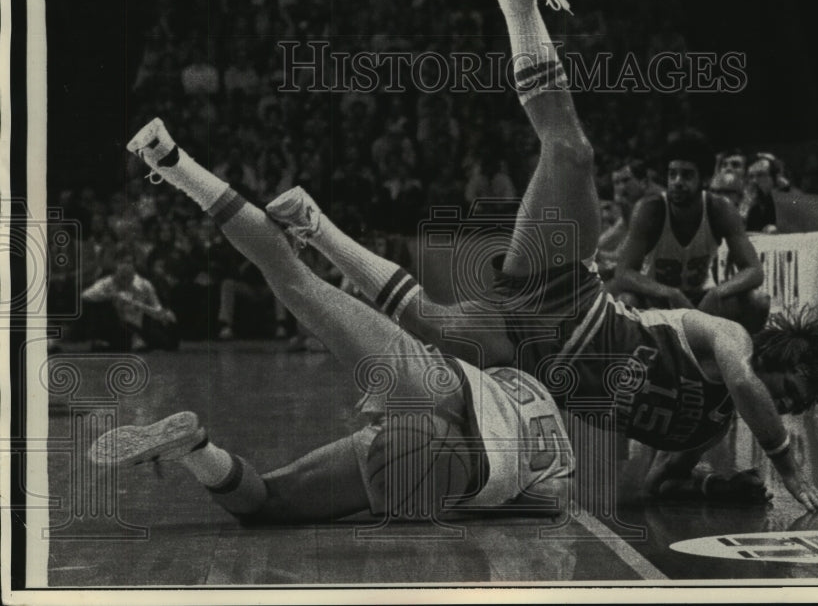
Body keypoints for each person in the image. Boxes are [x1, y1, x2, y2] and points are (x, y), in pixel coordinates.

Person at [266, 0, 818, 512]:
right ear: (777, 359)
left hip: (532, 357)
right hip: (568, 293)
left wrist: (718, 484)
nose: (784, 408)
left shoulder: (707, 431)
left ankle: (313, 225)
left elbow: (640, 487)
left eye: (792, 409)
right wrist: (788, 464)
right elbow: (746, 385)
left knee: (428, 323)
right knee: (570, 151)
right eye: (790, 392)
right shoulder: (732, 341)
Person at [89, 119, 574, 524]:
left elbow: (435, 324)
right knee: (269, 507)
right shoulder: (558, 456)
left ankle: (174, 162)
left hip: (438, 384)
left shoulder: (518, 375)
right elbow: (549, 503)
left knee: (295, 280)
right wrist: (487, 499)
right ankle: (197, 453)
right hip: (458, 465)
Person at [613, 127, 770, 333]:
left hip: (702, 299)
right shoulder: (649, 210)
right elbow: (623, 272)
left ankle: (748, 357)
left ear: (703, 180)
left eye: (686, 175)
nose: (677, 182)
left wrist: (718, 293)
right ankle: (642, 360)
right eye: (672, 175)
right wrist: (669, 293)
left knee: (758, 301)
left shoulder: (719, 209)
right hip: (660, 300)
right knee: (625, 301)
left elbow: (754, 271)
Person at [80, 252, 179, 352]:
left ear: (134, 268)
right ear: (116, 267)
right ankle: (111, 342)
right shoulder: (107, 282)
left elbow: (157, 308)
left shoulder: (144, 285)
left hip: (136, 326)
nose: (125, 266)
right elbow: (85, 295)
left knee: (166, 325)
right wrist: (111, 296)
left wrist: (161, 313)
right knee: (101, 305)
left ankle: (121, 343)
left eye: (128, 263)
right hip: (113, 325)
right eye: (121, 262)